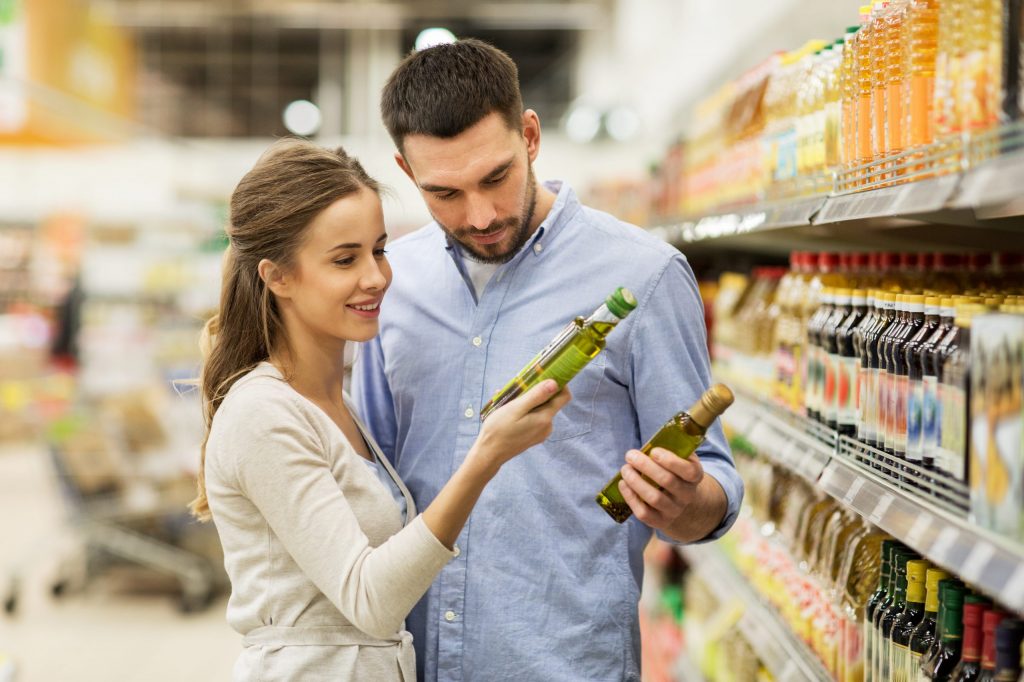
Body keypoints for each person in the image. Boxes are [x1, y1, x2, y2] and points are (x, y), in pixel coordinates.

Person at [350, 38, 745, 681]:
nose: (479, 215)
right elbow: (371, 478)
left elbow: (714, 488)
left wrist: (687, 500)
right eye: (444, 193)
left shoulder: (643, 277)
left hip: (563, 662)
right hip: (410, 659)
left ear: (529, 135)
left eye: (495, 177)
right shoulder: (392, 284)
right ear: (404, 168)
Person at [190, 138, 569, 682]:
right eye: (345, 259)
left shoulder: (332, 403)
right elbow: (370, 599)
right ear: (277, 277)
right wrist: (486, 455)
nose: (376, 277)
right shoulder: (263, 414)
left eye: (380, 250)